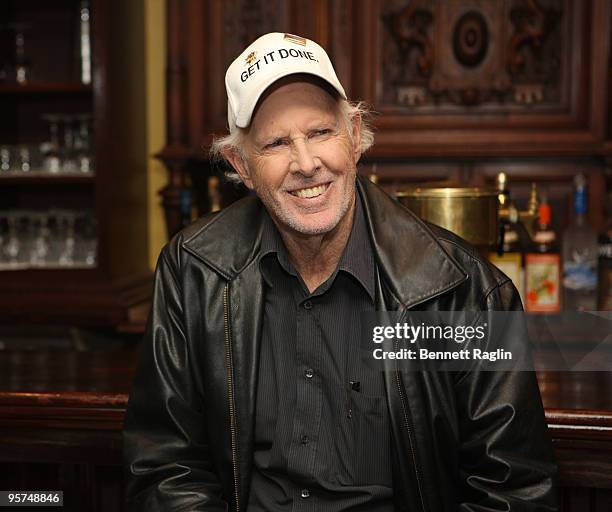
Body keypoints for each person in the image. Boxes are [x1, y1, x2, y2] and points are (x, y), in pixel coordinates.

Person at [124, 32, 557, 511]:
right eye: (275, 143)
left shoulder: (462, 290)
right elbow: (165, 468)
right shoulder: (193, 272)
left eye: (320, 133)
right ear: (239, 164)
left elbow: (515, 493)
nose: (306, 164)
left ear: (354, 136)